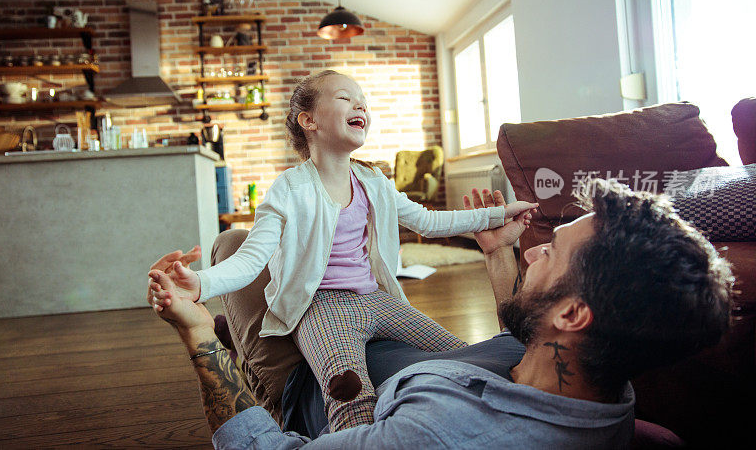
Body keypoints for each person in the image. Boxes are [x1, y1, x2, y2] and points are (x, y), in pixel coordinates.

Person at [148, 178, 733, 448]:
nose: (535, 249)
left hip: (316, 381)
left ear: (575, 312)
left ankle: (248, 357)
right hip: (420, 354)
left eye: (549, 253)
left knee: (232, 247)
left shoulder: (436, 435)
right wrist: (498, 252)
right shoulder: (599, 375)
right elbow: (525, 334)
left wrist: (197, 335)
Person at [148, 69, 538, 431]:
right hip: (323, 305)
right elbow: (251, 256)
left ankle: (233, 332)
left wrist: (497, 215)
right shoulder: (289, 189)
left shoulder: (374, 181)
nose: (360, 106)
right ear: (309, 120)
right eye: (345, 98)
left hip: (377, 300)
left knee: (466, 361)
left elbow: (429, 221)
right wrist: (199, 283)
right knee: (349, 394)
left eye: (363, 101)